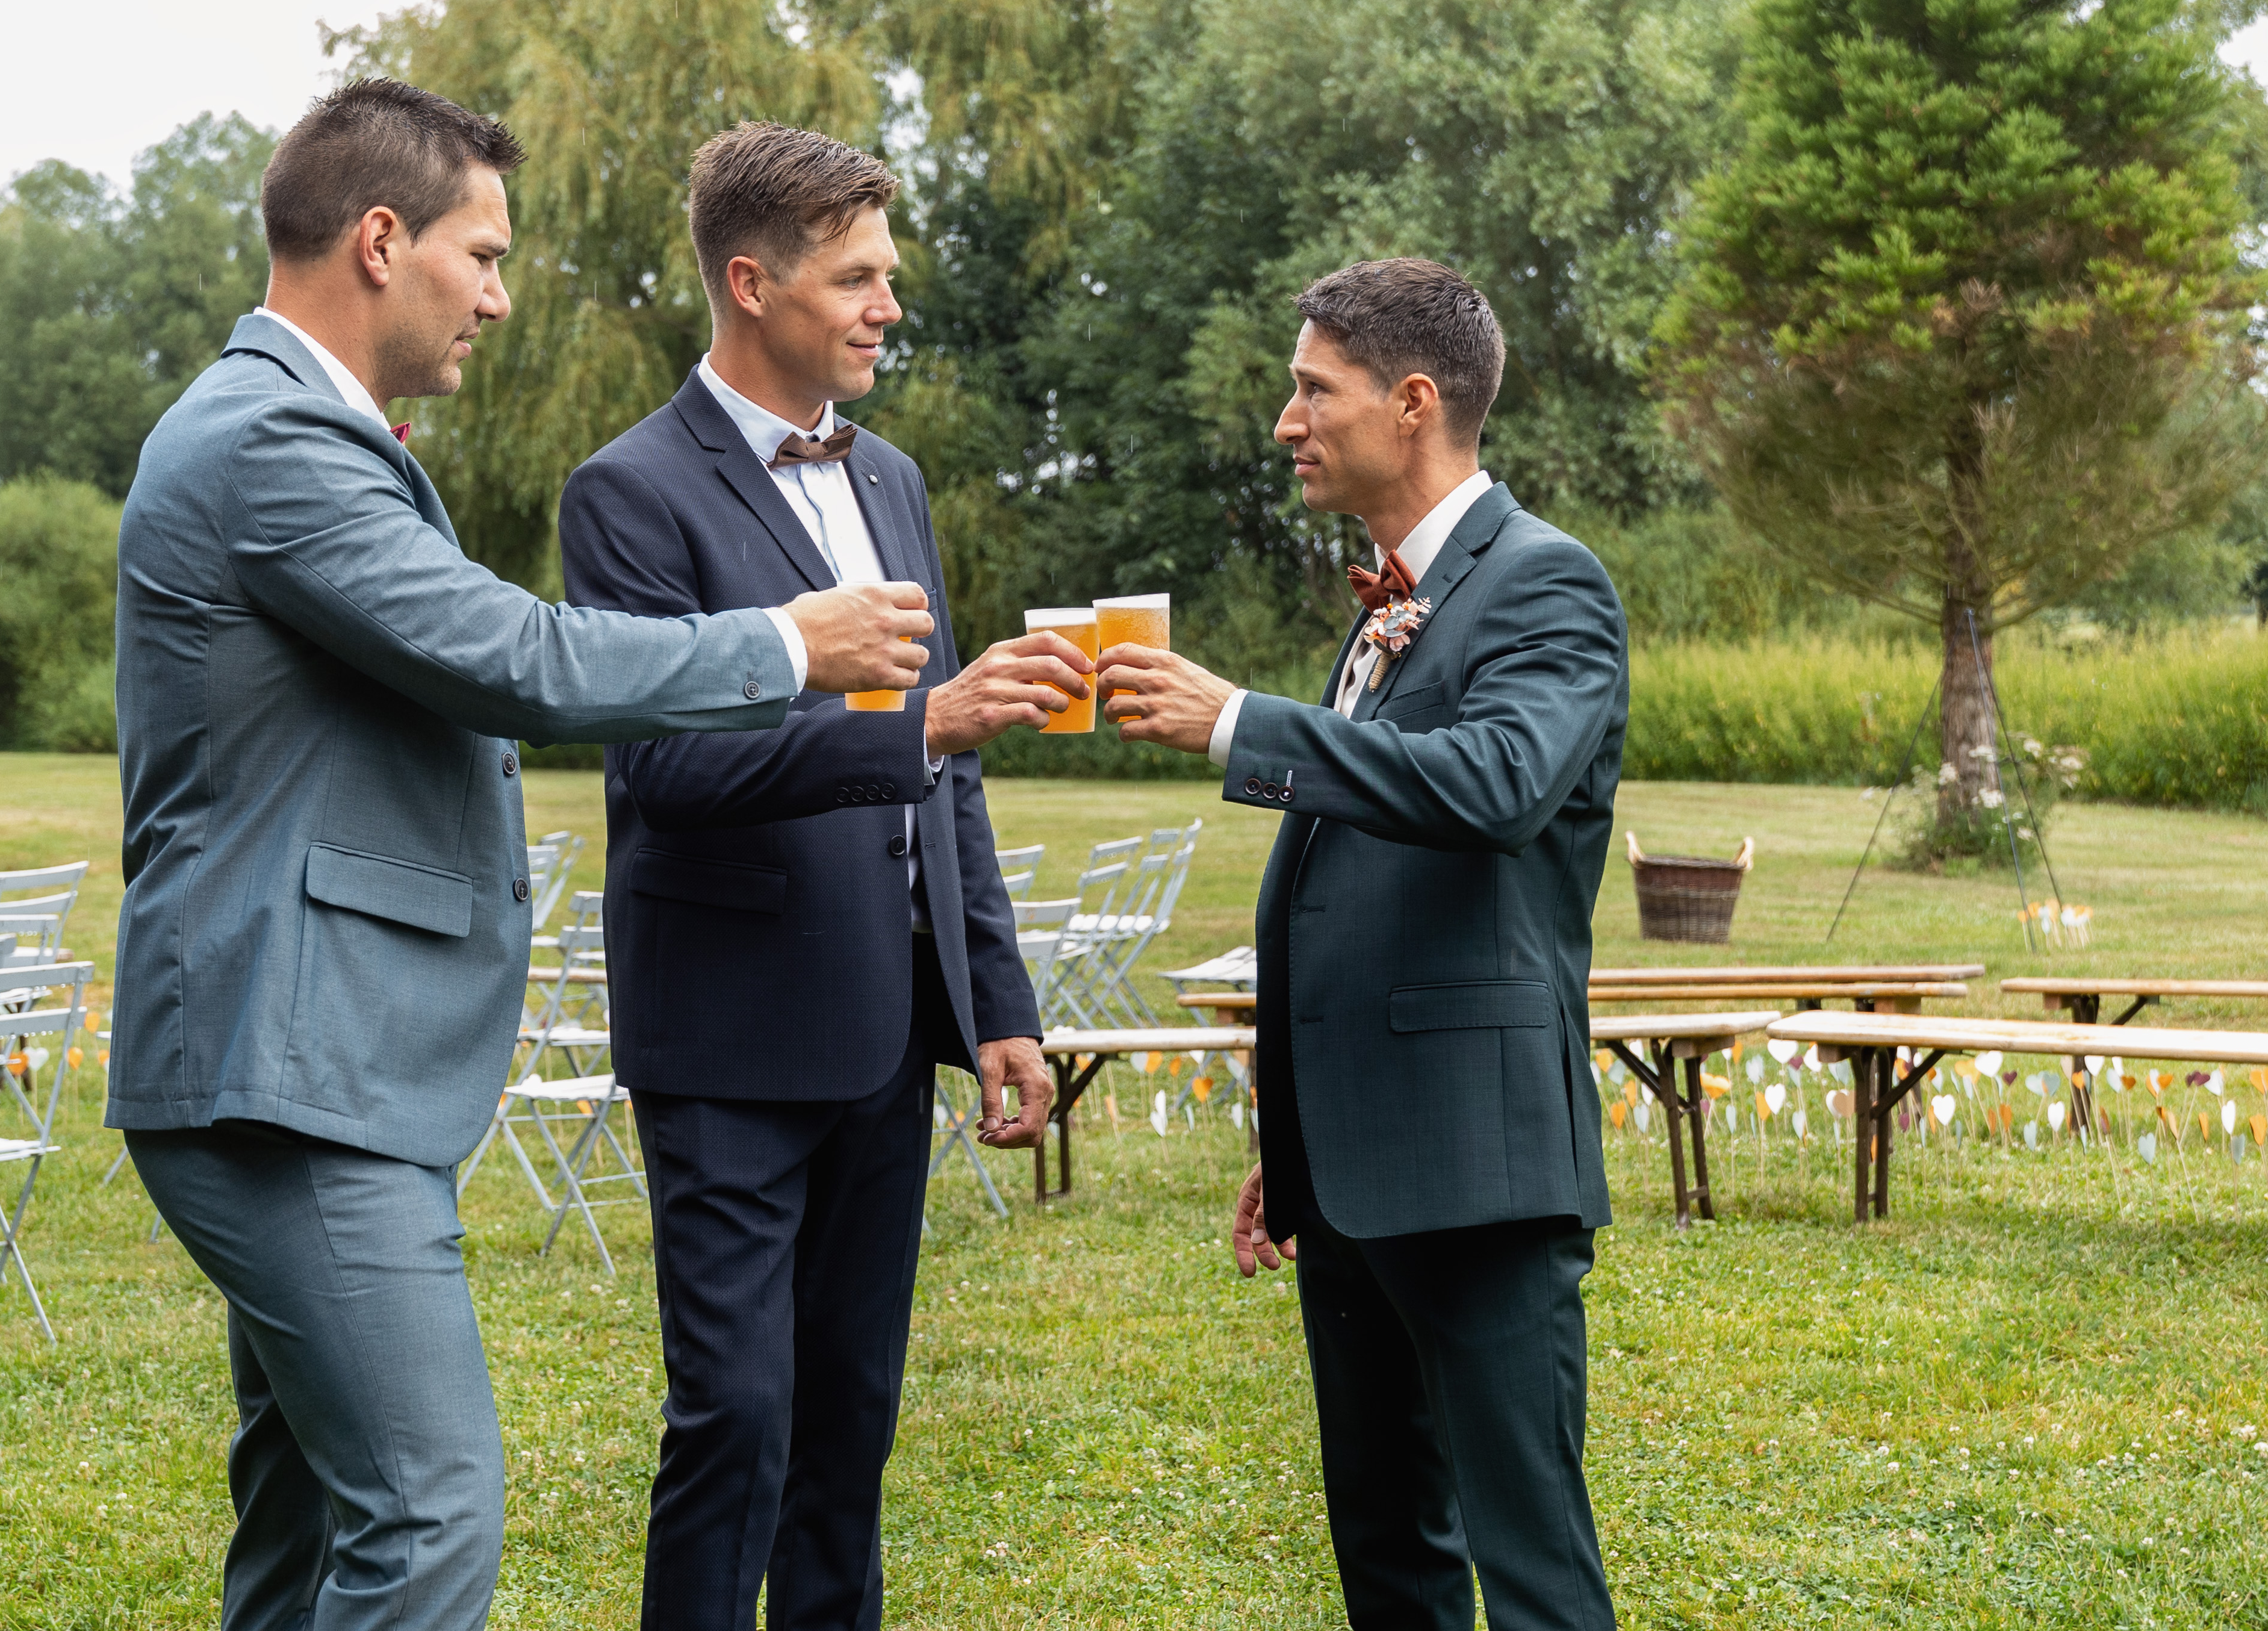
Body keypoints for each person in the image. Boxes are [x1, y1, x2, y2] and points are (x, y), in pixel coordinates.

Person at [108, 80, 933, 1631]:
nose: (497, 296)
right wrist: (784, 642)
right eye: (480, 256)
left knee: (306, 1533)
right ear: (379, 242)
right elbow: (519, 660)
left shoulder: (300, 432)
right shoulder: (269, 437)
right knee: (428, 1520)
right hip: (289, 1066)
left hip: (322, 1062)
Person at [555, 120, 1086, 1630]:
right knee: (736, 1418)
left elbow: (947, 781)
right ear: (750, 283)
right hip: (726, 1034)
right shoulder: (626, 494)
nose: (886, 307)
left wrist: (996, 1003)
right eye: (856, 278)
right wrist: (921, 725)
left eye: (886, 276)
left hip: (882, 1032)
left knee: (849, 1424)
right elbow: (665, 775)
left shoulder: (892, 481)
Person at [1100, 258, 1627, 1631]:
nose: (1286, 421)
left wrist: (1236, 723)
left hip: (1478, 1167)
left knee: (1530, 1564)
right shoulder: (1386, 602)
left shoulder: (1547, 582)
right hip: (1351, 1175)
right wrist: (1299, 1133)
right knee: (1386, 1555)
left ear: (1410, 402)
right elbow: (1356, 883)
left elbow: (1496, 786)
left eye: (1310, 389)